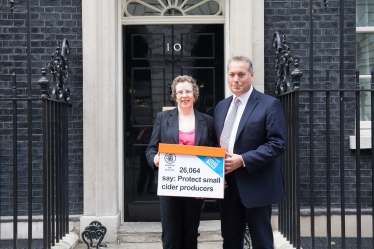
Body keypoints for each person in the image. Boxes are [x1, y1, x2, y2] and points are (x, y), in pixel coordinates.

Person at [213, 56, 286, 249]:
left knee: (261, 242)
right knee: (230, 241)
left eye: (241, 74)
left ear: (251, 75)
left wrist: (243, 160)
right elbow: (216, 143)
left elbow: (277, 143)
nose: (236, 79)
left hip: (256, 185)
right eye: (232, 74)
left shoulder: (269, 104)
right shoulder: (221, 106)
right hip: (228, 186)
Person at [145, 75, 215, 249]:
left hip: (195, 188)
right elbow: (151, 149)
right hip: (170, 188)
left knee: (190, 237)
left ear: (195, 95)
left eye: (188, 92)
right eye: (180, 92)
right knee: (170, 238)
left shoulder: (207, 121)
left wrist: (207, 183)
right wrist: (155, 159)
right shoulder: (163, 118)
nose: (184, 95)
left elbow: (213, 154)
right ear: (175, 96)